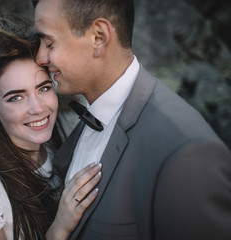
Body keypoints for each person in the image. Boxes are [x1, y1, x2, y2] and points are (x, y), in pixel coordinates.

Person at [33, 0, 231, 239]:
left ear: (98, 37)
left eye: (49, 43)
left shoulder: (188, 153)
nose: (40, 57)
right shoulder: (87, 119)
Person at [0, 14, 102, 240]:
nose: (37, 108)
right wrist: (58, 230)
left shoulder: (59, 152)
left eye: (44, 88)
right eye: (16, 98)